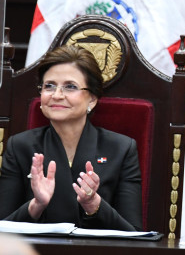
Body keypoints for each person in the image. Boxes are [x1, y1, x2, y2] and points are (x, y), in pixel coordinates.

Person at [0, 45, 142, 230]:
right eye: (49, 86)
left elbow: (134, 234)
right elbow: (3, 230)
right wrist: (37, 205)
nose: (57, 95)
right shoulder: (20, 146)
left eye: (70, 87)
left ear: (91, 99)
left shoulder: (121, 149)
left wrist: (94, 205)